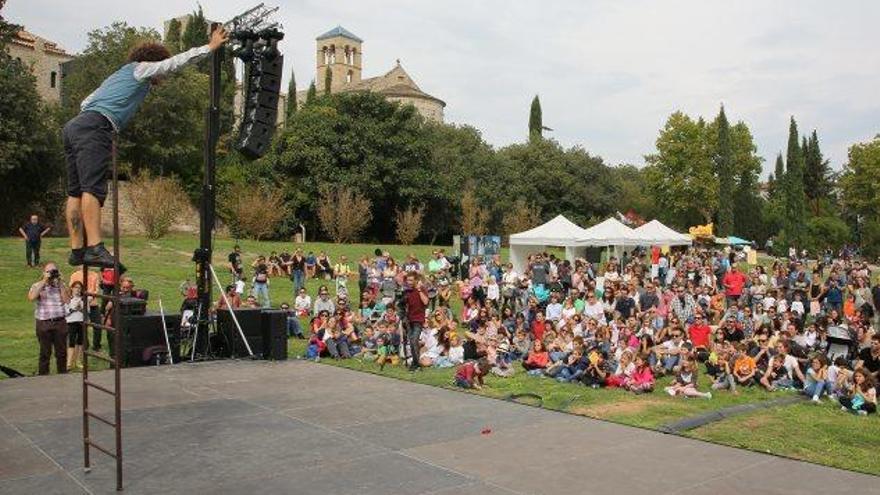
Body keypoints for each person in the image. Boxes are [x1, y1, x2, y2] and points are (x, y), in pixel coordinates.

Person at [63, 28, 229, 270]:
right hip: (94, 127)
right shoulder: (141, 69)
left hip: (75, 127)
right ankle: (95, 248)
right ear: (154, 61)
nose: (163, 78)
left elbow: (85, 102)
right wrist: (210, 47)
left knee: (75, 192)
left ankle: (77, 250)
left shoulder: (119, 74)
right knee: (93, 188)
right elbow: (174, 64)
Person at [28, 262, 71, 375]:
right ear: (44, 273)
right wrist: (44, 281)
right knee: (45, 352)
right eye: (49, 271)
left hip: (60, 322)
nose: (52, 273)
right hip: (44, 323)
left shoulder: (61, 285)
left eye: (54, 271)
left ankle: (62, 375)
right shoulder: (37, 285)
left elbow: (67, 301)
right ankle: (43, 377)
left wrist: (60, 283)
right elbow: (31, 297)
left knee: (61, 353)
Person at [403, 273, 430, 372]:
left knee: (414, 340)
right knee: (411, 341)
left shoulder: (421, 289)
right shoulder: (407, 291)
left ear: (416, 281)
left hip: (418, 320)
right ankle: (416, 363)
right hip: (409, 319)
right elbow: (404, 305)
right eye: (407, 280)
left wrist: (419, 290)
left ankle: (416, 364)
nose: (409, 282)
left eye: (411, 280)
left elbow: (426, 302)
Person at [65, 281, 85, 370]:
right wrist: (73, 309)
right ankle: (69, 362)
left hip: (81, 321)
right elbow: (65, 312)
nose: (78, 289)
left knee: (80, 342)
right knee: (71, 341)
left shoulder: (83, 299)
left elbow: (87, 311)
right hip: (71, 322)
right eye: (76, 287)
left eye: (80, 288)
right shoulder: (68, 299)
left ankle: (78, 361)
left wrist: (81, 309)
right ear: (72, 288)